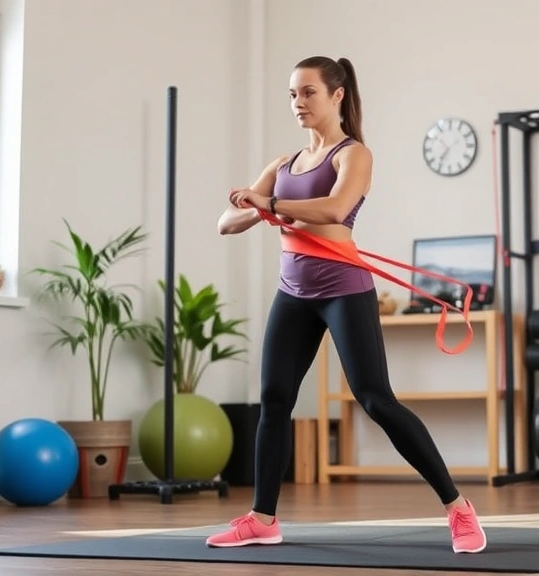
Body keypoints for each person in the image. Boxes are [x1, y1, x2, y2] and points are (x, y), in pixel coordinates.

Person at [207, 56, 487, 555]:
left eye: (308, 92)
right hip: (293, 291)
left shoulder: (353, 155)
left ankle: (458, 508)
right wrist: (253, 205)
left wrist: (267, 204)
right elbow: (226, 223)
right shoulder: (283, 164)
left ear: (336, 95)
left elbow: (335, 209)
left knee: (376, 399)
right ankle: (262, 518)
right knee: (274, 400)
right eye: (292, 94)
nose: (298, 103)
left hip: (343, 288)